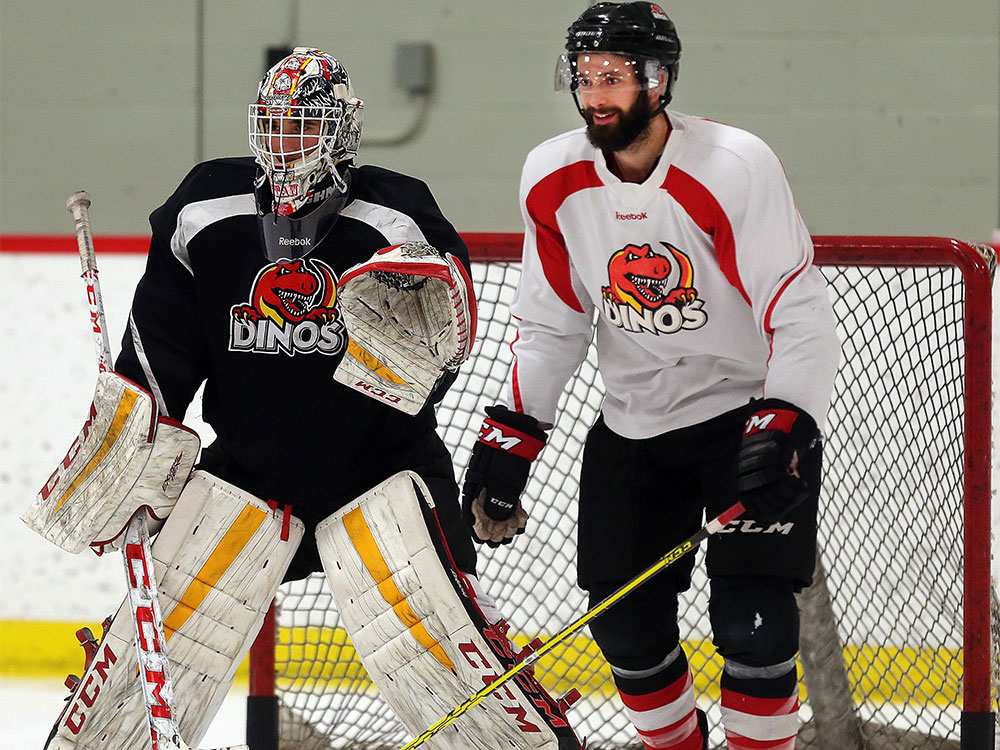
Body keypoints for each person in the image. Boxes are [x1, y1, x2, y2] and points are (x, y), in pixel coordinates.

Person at [37, 47, 580, 749]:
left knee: (454, 672)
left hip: (383, 473)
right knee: (150, 658)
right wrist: (138, 437)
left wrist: (414, 330)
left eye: (304, 126)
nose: (285, 145)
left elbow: (443, 344)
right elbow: (161, 345)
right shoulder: (205, 208)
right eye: (274, 125)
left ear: (343, 131)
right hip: (251, 475)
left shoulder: (396, 214)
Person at [461, 4, 840, 749]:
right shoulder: (552, 175)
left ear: (659, 79)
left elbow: (798, 312)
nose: (595, 94)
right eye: (584, 76)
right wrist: (513, 438)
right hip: (633, 428)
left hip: (742, 419)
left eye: (614, 77)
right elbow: (552, 324)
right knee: (627, 634)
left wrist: (786, 421)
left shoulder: (733, 165)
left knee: (754, 627)